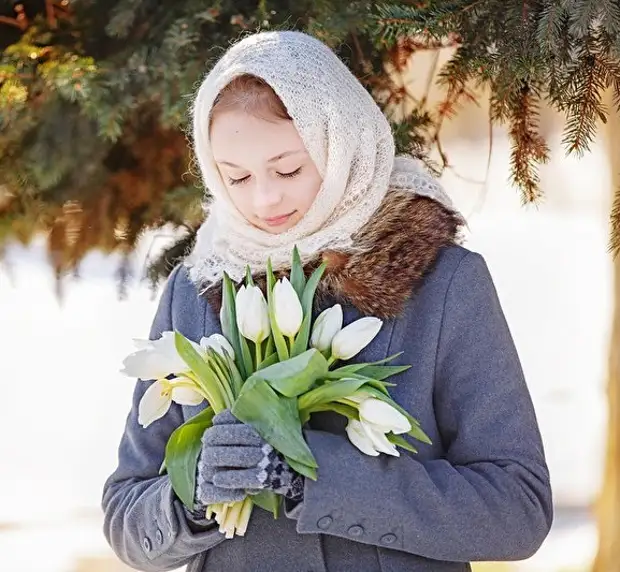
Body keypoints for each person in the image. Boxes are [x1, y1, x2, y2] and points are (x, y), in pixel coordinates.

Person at [102, 30, 553, 572]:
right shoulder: (196, 288)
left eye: (288, 169)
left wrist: (311, 472)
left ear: (339, 144)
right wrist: (192, 492)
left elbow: (517, 508)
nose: (264, 198)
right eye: (236, 177)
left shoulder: (443, 283)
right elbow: (126, 515)